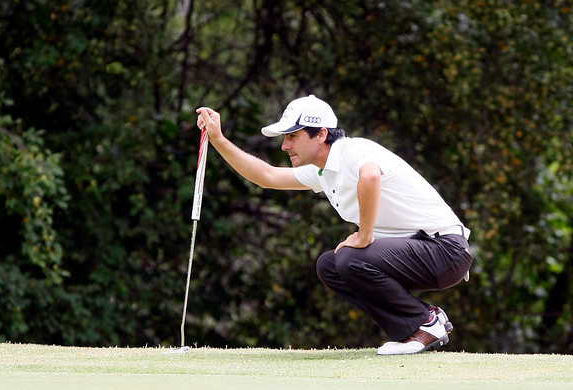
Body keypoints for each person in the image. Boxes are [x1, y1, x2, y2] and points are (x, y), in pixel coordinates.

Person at [196, 95, 472, 355]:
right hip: (425, 251)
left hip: (445, 250)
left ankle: (425, 323)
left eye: (292, 136)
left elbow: (370, 177)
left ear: (321, 134)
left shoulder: (353, 150)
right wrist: (218, 139)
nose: (285, 145)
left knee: (350, 258)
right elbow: (267, 176)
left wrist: (364, 236)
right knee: (330, 265)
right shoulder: (323, 170)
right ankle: (418, 325)